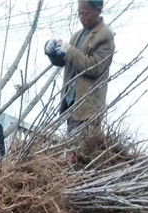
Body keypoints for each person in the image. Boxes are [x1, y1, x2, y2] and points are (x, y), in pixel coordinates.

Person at [44, 0, 115, 132]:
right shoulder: (77, 35)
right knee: (71, 148)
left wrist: (69, 50)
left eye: (85, 14)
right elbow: (66, 61)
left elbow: (94, 67)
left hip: (87, 108)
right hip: (71, 103)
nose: (81, 18)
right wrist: (51, 51)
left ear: (98, 11)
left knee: (81, 148)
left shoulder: (105, 36)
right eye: (79, 14)